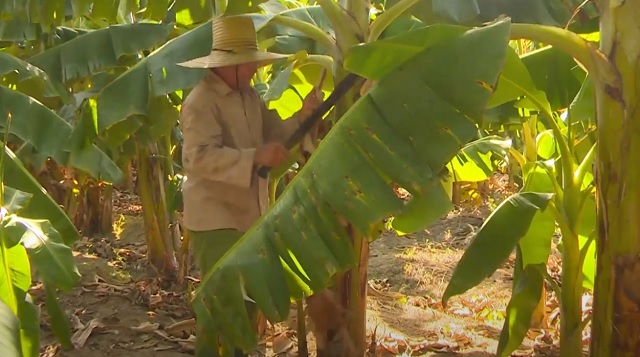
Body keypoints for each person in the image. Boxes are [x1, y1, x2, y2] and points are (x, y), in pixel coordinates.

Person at [176, 14, 324, 357]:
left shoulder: (248, 97)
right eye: (251, 64)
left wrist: (303, 117)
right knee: (222, 306)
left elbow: (274, 135)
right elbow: (196, 158)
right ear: (231, 64)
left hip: (248, 215)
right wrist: (254, 156)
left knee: (246, 303)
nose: (256, 70)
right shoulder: (201, 102)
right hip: (215, 220)